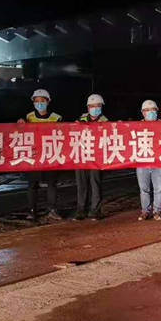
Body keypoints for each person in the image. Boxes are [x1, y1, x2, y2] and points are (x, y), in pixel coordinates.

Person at [18, 88, 64, 221]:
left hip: (50, 154)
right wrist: (20, 125)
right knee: (32, 184)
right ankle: (32, 211)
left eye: (42, 101)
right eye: (37, 101)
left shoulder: (56, 118)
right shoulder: (28, 117)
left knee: (52, 183)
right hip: (34, 156)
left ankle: (52, 210)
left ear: (48, 101)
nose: (39, 103)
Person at [74, 94, 108, 221]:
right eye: (92, 106)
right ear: (88, 107)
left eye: (98, 106)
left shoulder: (105, 121)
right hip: (82, 157)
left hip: (96, 158)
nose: (95, 108)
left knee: (95, 184)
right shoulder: (80, 119)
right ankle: (81, 210)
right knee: (81, 185)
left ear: (101, 107)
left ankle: (95, 211)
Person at [136, 100, 161, 221]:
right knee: (144, 189)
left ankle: (157, 211)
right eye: (147, 110)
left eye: (153, 110)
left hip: (158, 162)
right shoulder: (137, 126)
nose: (151, 112)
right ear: (143, 113)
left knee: (158, 188)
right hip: (142, 162)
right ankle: (145, 211)